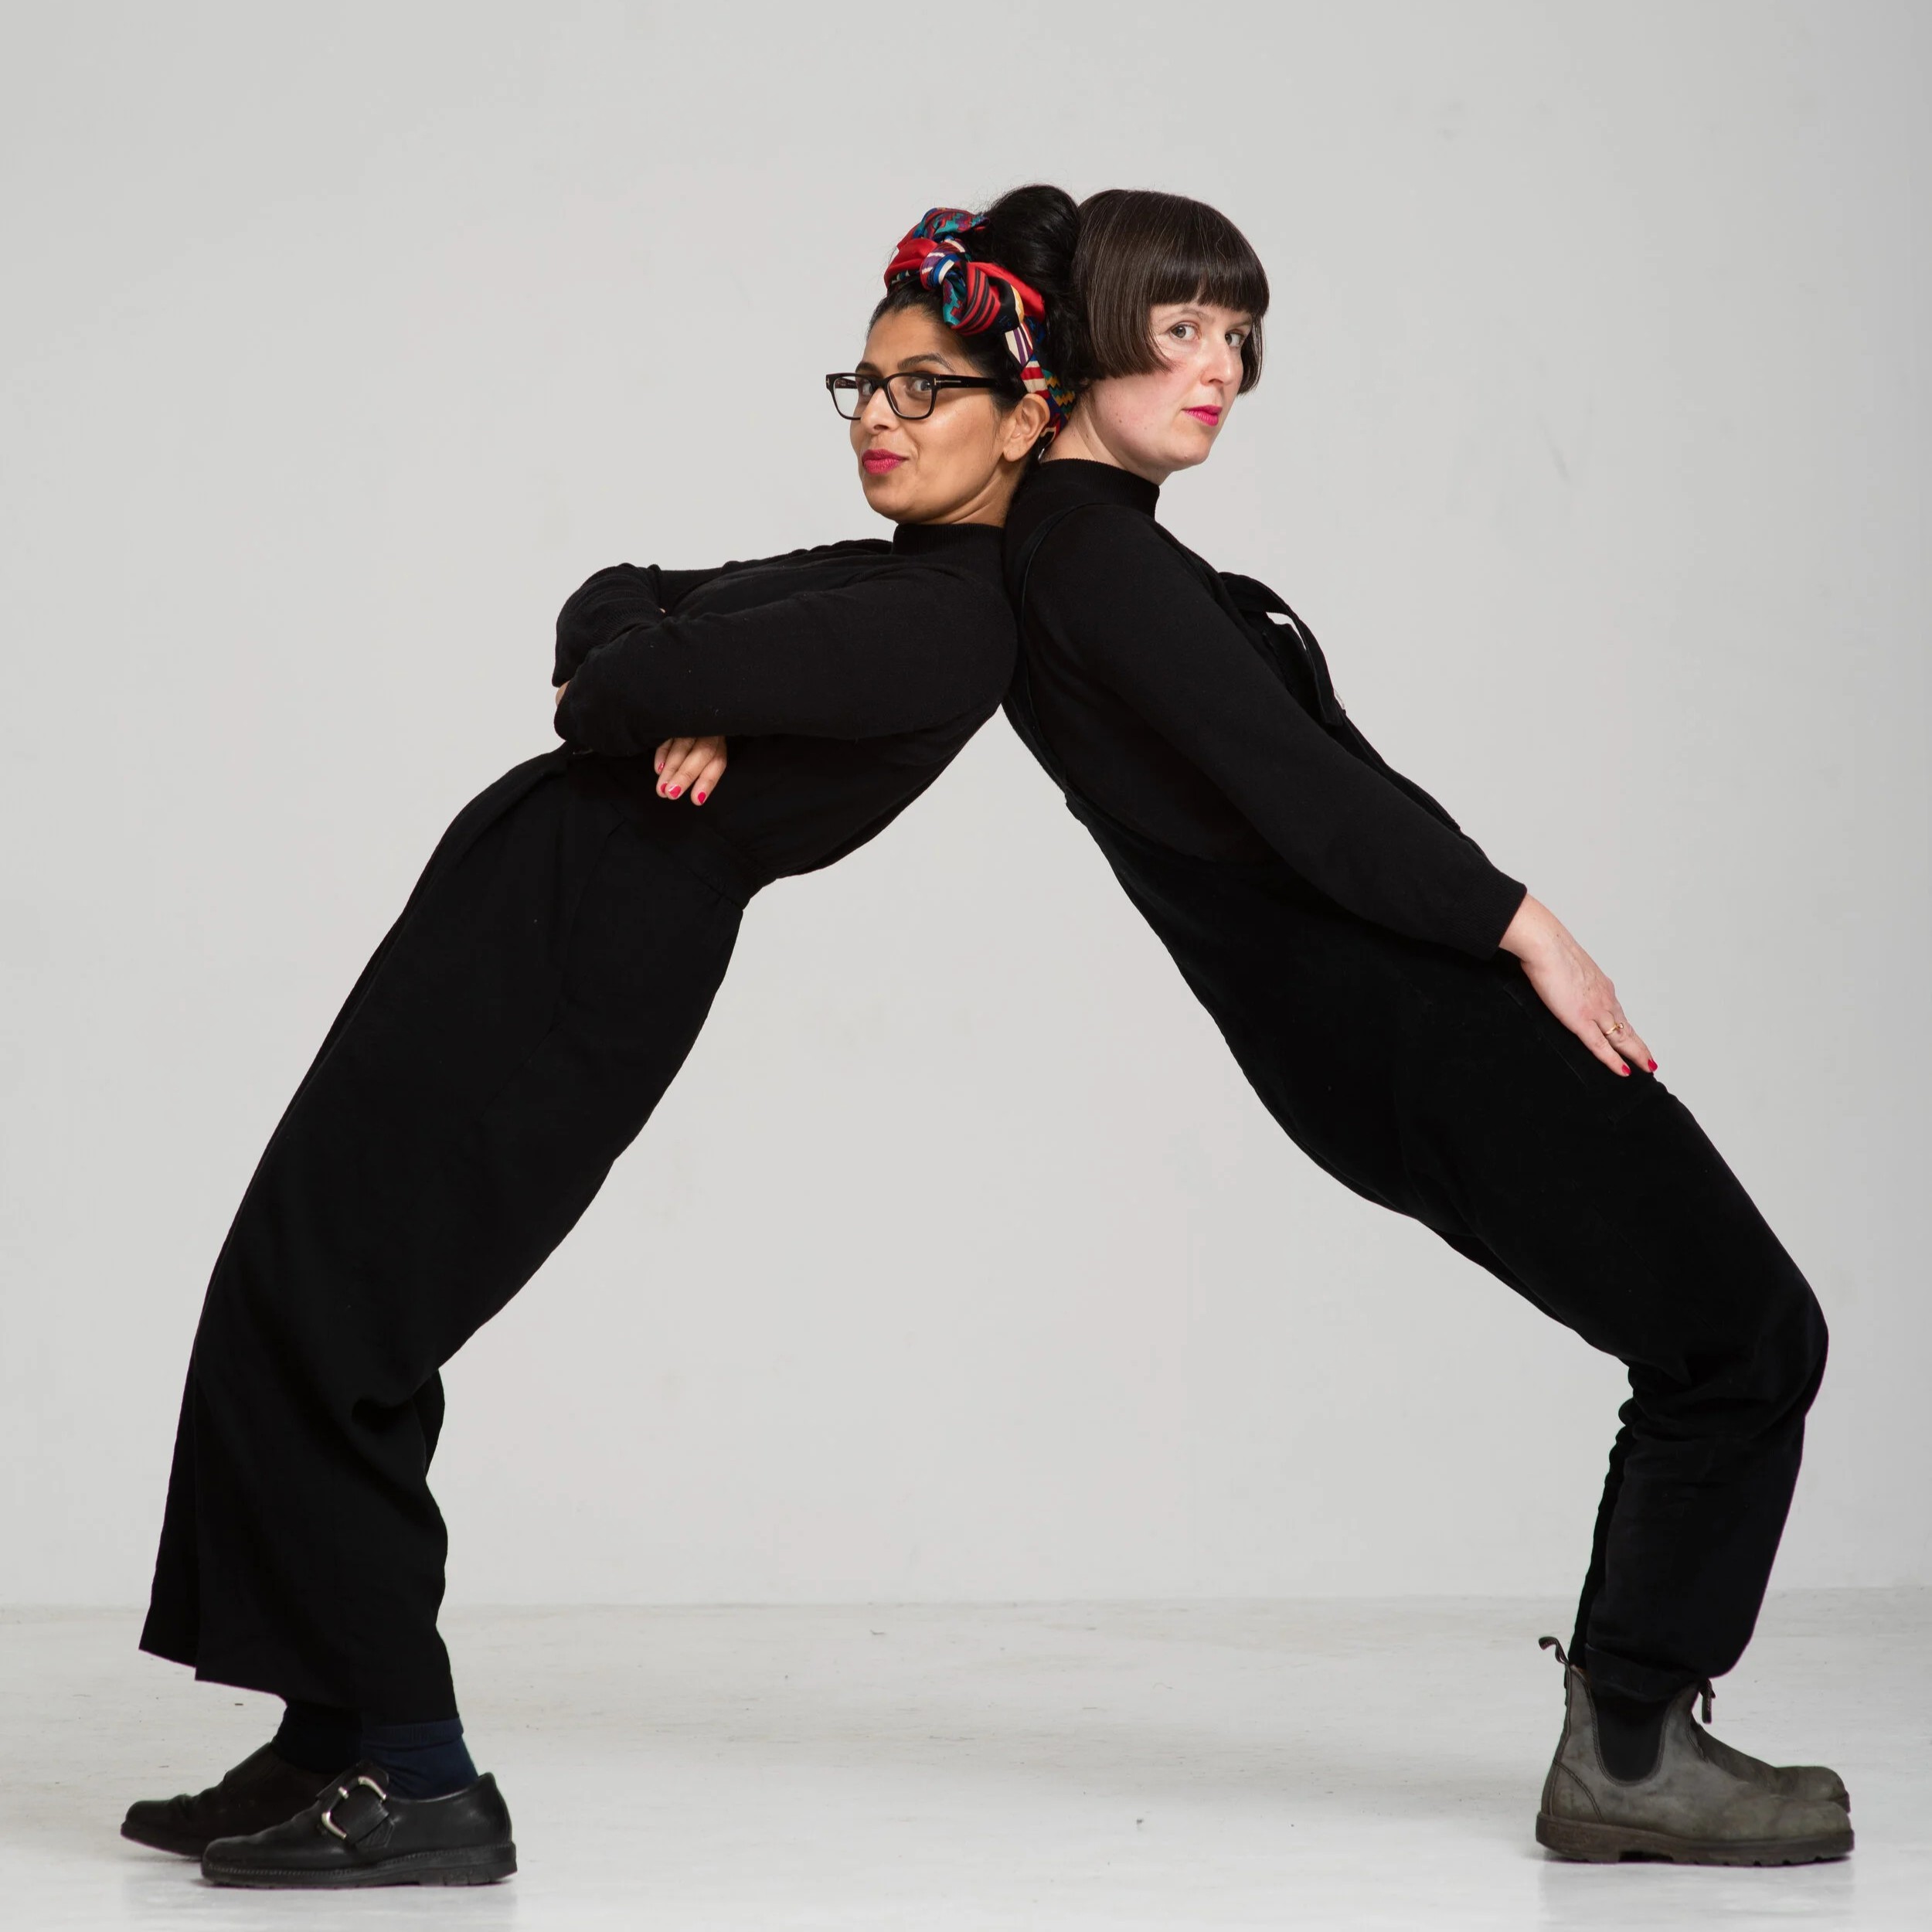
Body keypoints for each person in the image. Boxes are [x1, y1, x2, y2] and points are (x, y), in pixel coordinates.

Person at [122, 188, 1071, 1889]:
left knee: (344, 1317)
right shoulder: (875, 576)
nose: (879, 416)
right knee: (293, 1282)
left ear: (1026, 416)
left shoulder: (945, 616)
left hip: (568, 971)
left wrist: (660, 679)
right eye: (864, 383)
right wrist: (671, 669)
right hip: (525, 933)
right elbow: (614, 596)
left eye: (926, 386)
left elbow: (617, 676)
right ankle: (331, 1728)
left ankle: (419, 1774)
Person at [1000, 187, 1851, 1866]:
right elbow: (1309, 801)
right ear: (1088, 337)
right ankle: (1628, 1748)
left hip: (1387, 1015)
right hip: (1408, 1014)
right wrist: (1532, 930)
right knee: (1740, 1336)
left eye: (1238, 336)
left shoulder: (1088, 555)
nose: (1218, 369)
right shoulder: (1082, 555)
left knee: (1726, 1333)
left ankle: (1637, 1731)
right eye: (1177, 330)